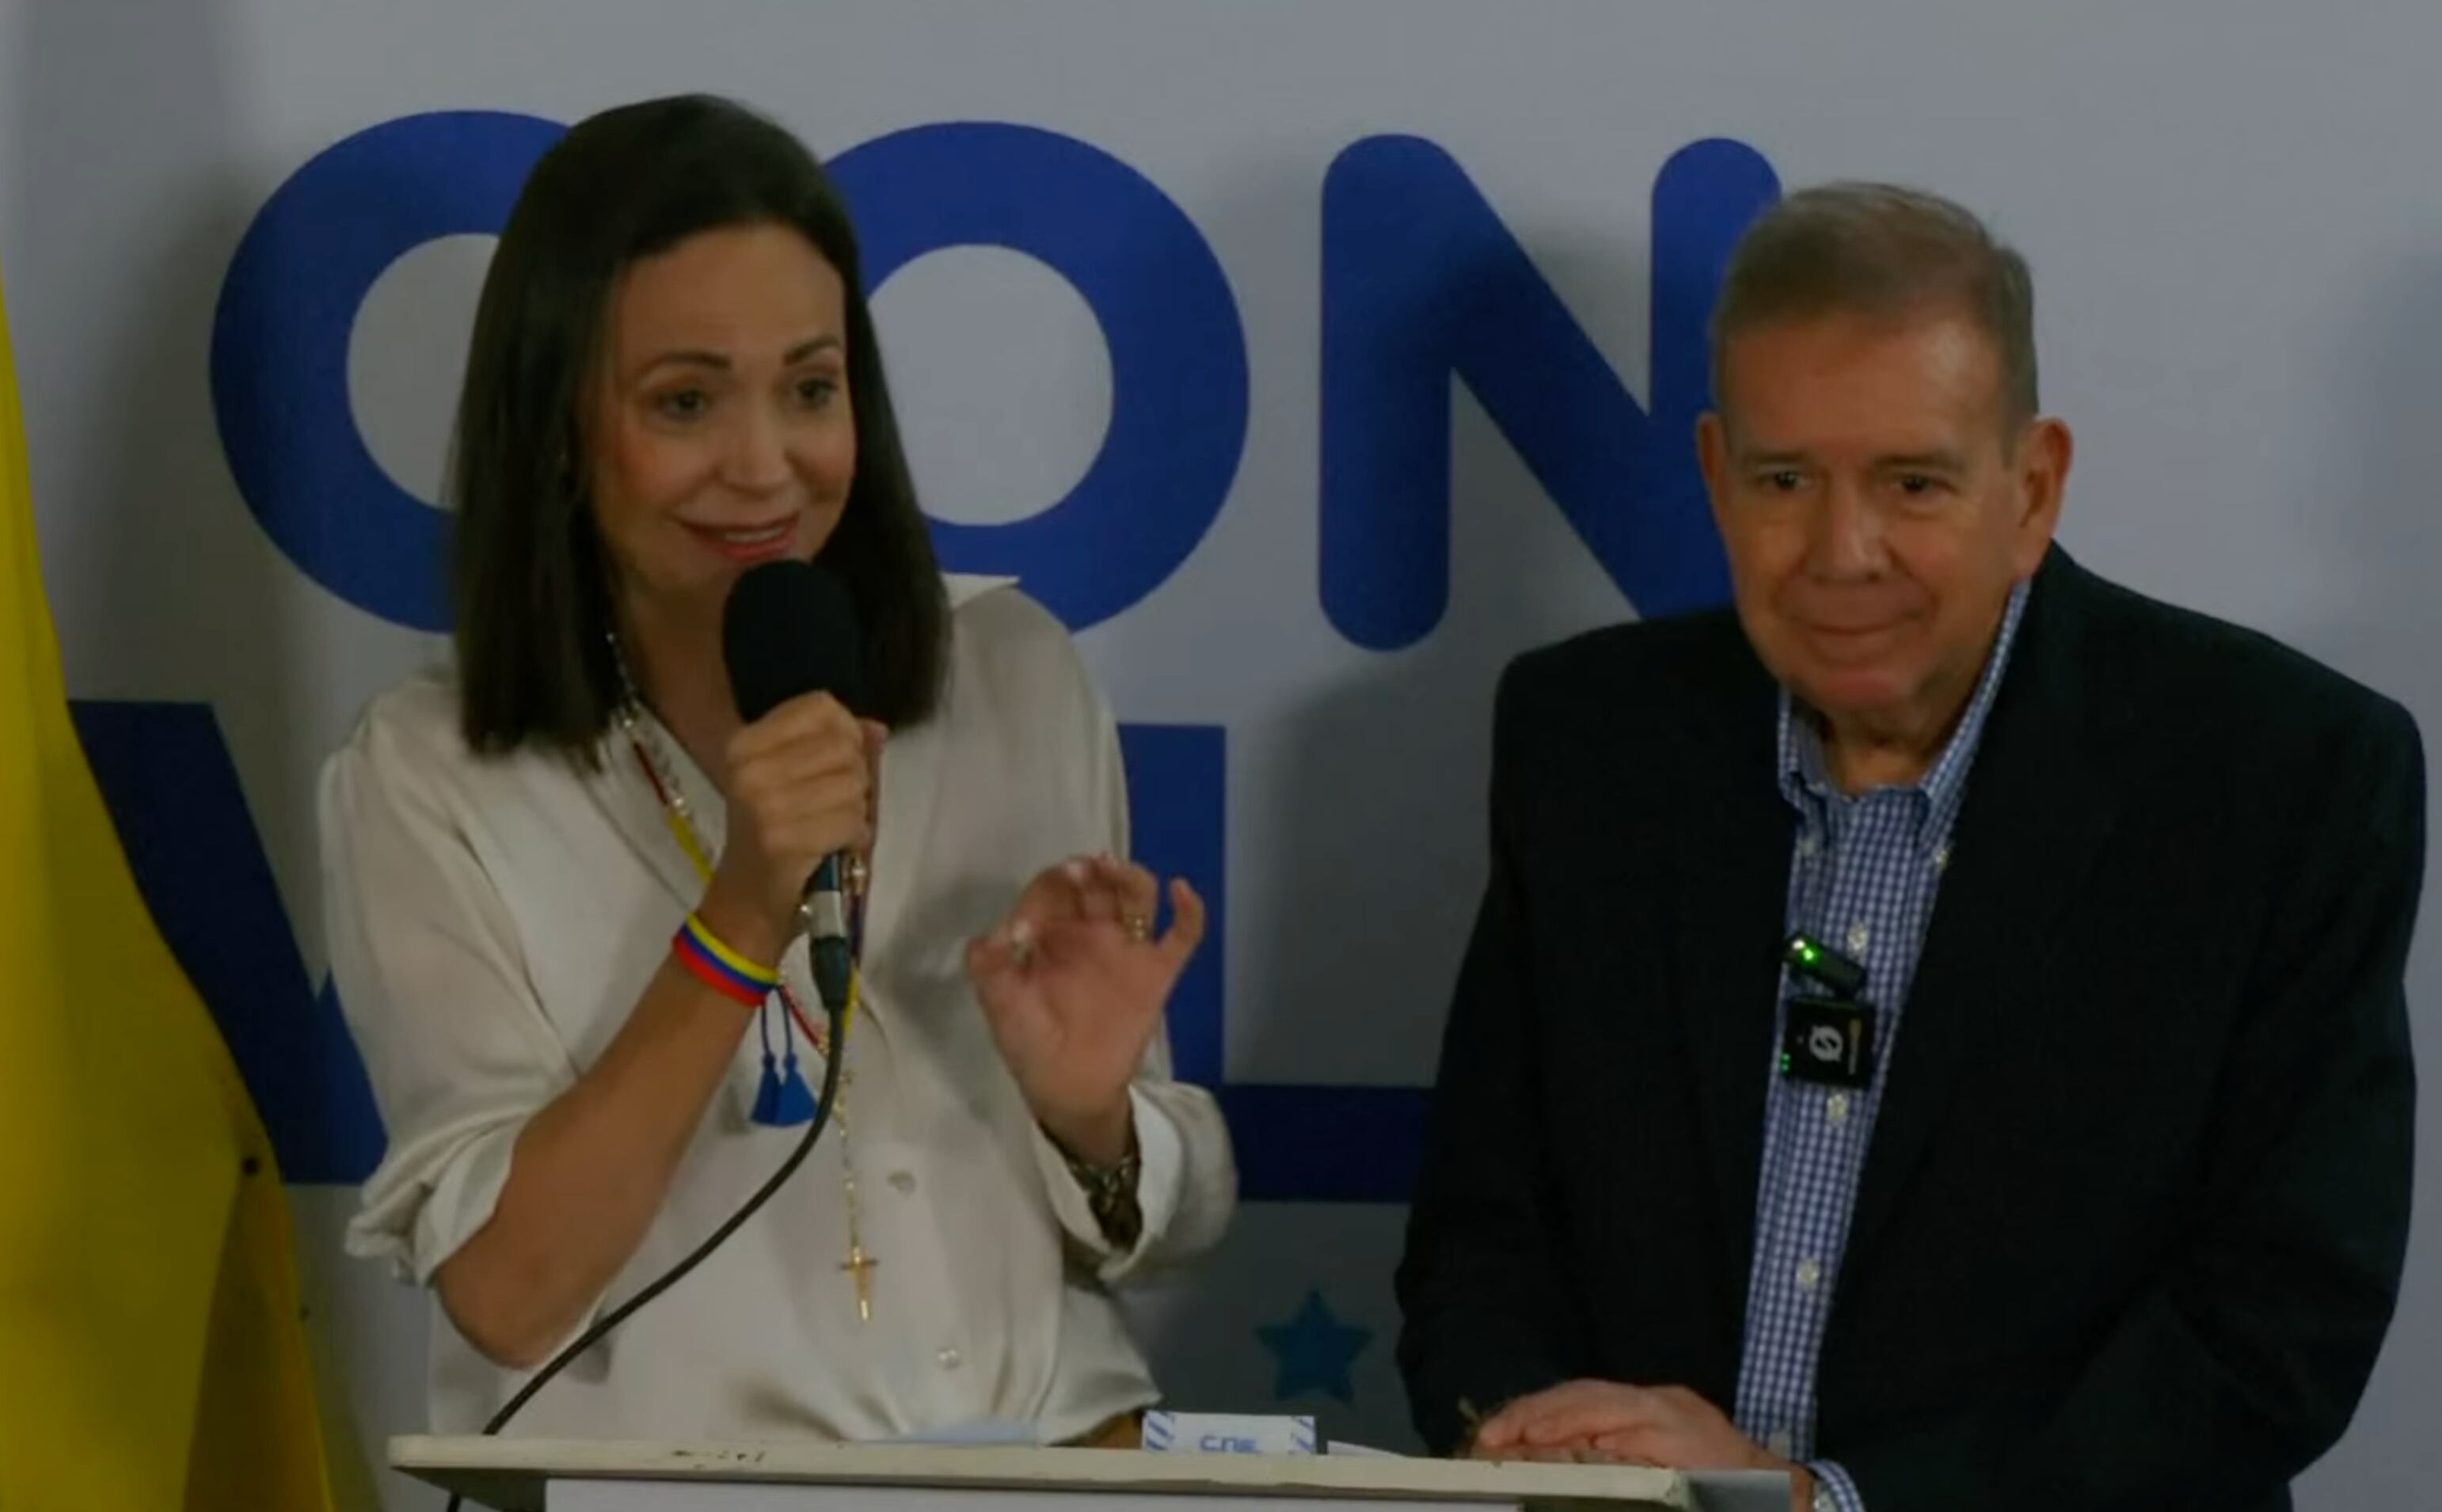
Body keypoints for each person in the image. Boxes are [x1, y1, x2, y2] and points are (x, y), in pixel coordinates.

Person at [1394, 183, 2422, 1512]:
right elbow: (1481, 1240)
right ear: (1715, 474)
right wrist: (1554, 1457)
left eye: (1913, 480)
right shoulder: (1585, 746)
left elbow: (2282, 1323)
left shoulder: (2281, 774)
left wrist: (1822, 1505)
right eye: (1784, 480)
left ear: (2034, 486)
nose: (1843, 551)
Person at [320, 93, 1236, 1446]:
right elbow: (508, 1294)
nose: (767, 467)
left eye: (811, 389)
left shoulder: (1010, 676)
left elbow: (1157, 1223)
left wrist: (1091, 1115)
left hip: (1056, 1467)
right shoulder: (430, 771)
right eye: (685, 401)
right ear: (564, 432)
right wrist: (748, 907)